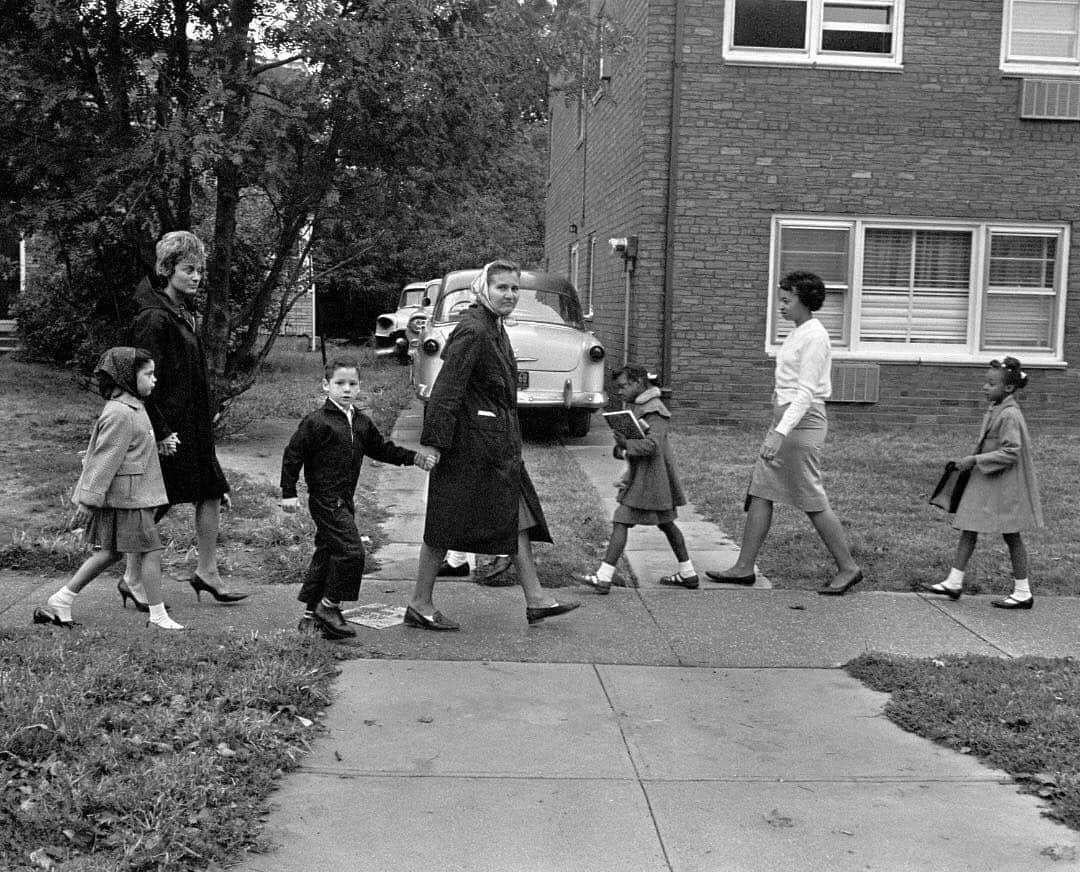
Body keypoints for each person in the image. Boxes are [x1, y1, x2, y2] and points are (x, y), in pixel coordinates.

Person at [408, 260, 580, 630]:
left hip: (495, 447)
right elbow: (446, 391)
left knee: (517, 515)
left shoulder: (493, 326)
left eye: (515, 289)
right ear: (485, 289)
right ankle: (420, 602)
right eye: (502, 287)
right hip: (470, 447)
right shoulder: (473, 330)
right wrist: (434, 444)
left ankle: (535, 598)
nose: (510, 295)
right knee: (446, 523)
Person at [706, 270, 862, 595]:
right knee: (762, 491)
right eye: (781, 299)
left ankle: (848, 568)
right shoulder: (798, 332)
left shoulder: (815, 336)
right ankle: (744, 567)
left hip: (800, 426)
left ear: (803, 301)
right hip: (785, 421)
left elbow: (805, 393)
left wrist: (779, 432)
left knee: (811, 498)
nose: (781, 305)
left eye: (786, 300)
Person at [127, 231, 248, 605]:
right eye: (188, 270)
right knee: (154, 504)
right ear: (167, 270)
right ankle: (129, 577)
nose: (197, 277)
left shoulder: (181, 312)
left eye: (200, 271)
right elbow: (143, 381)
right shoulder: (154, 317)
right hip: (168, 430)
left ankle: (207, 571)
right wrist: (161, 431)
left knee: (210, 490)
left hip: (193, 427)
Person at [33, 348, 184, 630]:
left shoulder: (134, 408)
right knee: (150, 552)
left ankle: (61, 600)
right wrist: (88, 502)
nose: (154, 380)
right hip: (129, 497)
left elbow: (130, 451)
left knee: (110, 553)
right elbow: (104, 460)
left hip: (131, 494)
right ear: (128, 377)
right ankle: (158, 616)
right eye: (148, 374)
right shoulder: (120, 414)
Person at [281, 358, 429, 639]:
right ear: (326, 386)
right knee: (351, 553)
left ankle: (310, 617)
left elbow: (381, 449)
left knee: (328, 554)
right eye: (340, 383)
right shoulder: (316, 422)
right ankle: (329, 605)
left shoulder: (360, 422)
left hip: (345, 500)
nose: (346, 389)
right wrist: (288, 492)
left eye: (352, 384)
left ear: (360, 387)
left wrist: (413, 458)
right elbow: (293, 456)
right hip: (325, 500)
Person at [920, 357, 1043, 609]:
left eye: (990, 383)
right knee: (969, 524)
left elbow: (1011, 451)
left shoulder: (1009, 415)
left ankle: (1023, 592)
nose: (984, 387)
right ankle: (954, 582)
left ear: (1008, 388)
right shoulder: (997, 409)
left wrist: (975, 459)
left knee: (1011, 534)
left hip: (1006, 485)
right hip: (990, 480)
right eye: (985, 382)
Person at [580, 364, 697, 593]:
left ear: (638, 383)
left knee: (622, 520)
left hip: (649, 478)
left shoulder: (655, 410)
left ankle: (604, 577)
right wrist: (621, 448)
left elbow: (653, 444)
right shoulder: (641, 406)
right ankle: (688, 572)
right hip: (652, 477)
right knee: (666, 523)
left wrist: (626, 445)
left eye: (624, 386)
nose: (620, 392)